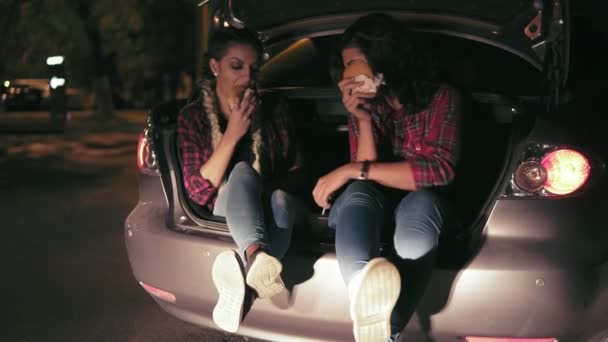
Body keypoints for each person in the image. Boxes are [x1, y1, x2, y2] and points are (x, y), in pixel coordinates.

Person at [312, 13, 461, 342]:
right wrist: (362, 120)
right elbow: (365, 177)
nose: (349, 74)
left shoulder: (440, 97)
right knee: (357, 194)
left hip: (421, 210)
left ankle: (384, 330)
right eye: (345, 65)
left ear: (384, 58)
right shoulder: (367, 106)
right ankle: (363, 300)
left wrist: (350, 169)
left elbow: (439, 170)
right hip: (370, 209)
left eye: (356, 62)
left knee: (418, 205)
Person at [177, 27, 307, 333]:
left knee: (281, 200)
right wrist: (234, 132)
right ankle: (255, 257)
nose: (247, 78)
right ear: (214, 66)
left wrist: (266, 191)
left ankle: (243, 283)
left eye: (253, 69)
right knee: (241, 172)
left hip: (273, 204)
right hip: (222, 207)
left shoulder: (274, 109)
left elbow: (299, 170)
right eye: (236, 66)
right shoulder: (193, 117)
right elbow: (197, 191)